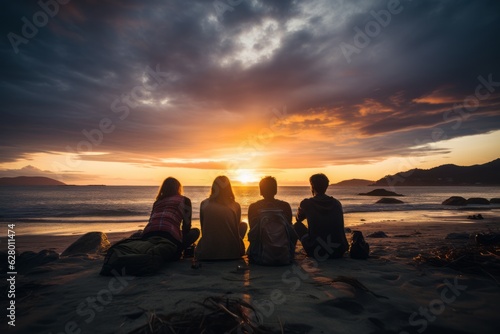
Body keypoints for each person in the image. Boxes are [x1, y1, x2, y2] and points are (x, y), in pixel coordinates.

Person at [141, 177, 200, 260]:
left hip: (148, 234)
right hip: (170, 237)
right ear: (178, 188)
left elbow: (151, 220)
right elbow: (186, 227)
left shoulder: (157, 202)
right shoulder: (185, 200)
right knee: (196, 232)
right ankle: (177, 250)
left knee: (138, 233)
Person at [294, 173, 348, 259]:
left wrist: (302, 209)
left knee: (297, 226)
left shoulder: (307, 203)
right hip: (339, 250)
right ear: (326, 187)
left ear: (312, 186)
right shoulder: (336, 203)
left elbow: (298, 219)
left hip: (318, 252)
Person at [195, 176, 247, 260]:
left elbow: (203, 229)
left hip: (206, 253)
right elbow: (235, 229)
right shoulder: (236, 205)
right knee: (243, 225)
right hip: (232, 254)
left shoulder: (204, 204)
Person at [247, 176, 297, 263]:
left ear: (261, 190)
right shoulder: (285, 206)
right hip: (284, 255)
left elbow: (253, 231)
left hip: (261, 256)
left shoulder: (254, 207)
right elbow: (289, 229)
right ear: (275, 190)